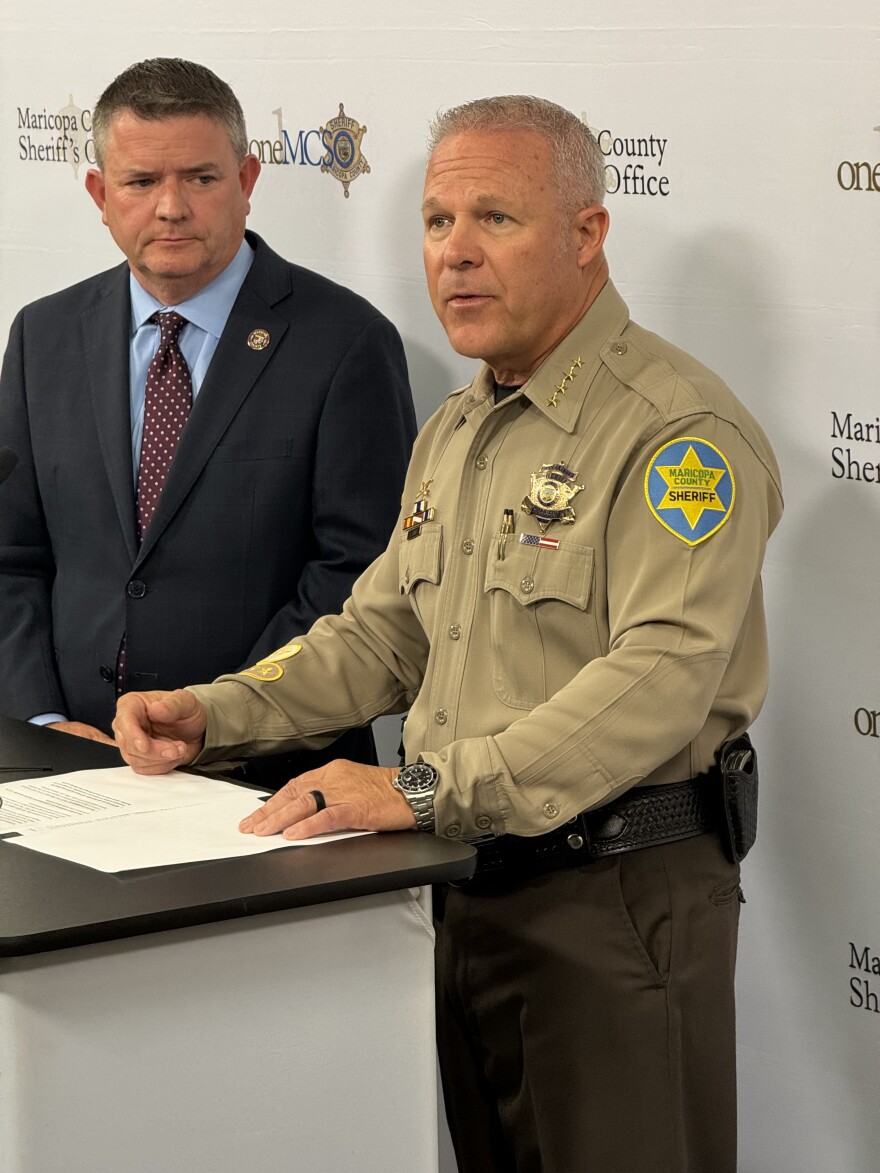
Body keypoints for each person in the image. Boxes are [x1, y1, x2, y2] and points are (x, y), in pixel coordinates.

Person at [114, 95, 783, 1172]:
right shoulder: (461, 427)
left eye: (495, 219)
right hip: (463, 889)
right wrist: (215, 713)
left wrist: (420, 791)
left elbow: (658, 680)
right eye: (434, 223)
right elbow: (380, 633)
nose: (455, 256)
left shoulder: (675, 434)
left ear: (585, 233)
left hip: (611, 905)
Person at [0, 58, 415, 782]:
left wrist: (222, 716)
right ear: (100, 194)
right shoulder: (44, 334)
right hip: (70, 770)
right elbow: (11, 560)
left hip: (271, 779)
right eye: (140, 182)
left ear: (247, 182)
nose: (171, 207)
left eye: (200, 178)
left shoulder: (346, 342)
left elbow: (363, 576)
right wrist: (41, 722)